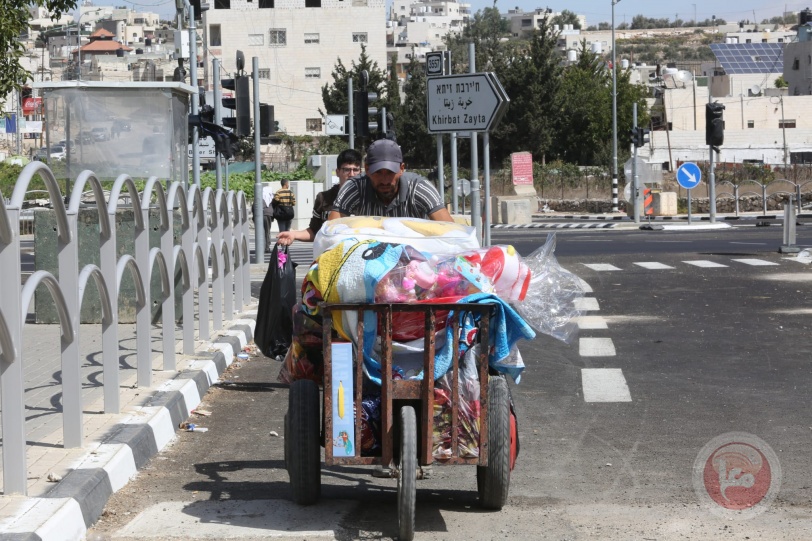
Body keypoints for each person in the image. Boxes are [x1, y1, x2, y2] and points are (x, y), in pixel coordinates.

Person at [328, 139, 453, 222]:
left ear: (401, 169)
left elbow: (451, 232)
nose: (385, 180)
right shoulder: (353, 188)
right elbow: (331, 231)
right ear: (367, 169)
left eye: (390, 172)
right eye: (378, 172)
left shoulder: (420, 188)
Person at [276, 148, 363, 246]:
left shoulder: (367, 198)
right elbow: (314, 231)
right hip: (330, 255)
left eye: (355, 170)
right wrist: (293, 234)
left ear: (360, 172)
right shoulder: (324, 198)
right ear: (338, 172)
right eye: (346, 170)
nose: (351, 174)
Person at [262, 184, 275, 252]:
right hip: (269, 215)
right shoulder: (271, 197)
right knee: (267, 231)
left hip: (260, 215)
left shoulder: (260, 196)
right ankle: (267, 246)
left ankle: (262, 246)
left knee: (261, 231)